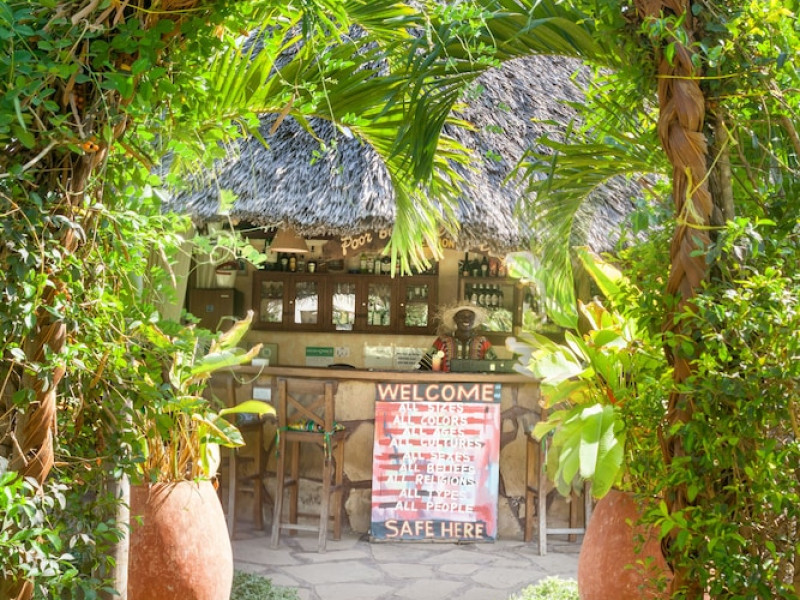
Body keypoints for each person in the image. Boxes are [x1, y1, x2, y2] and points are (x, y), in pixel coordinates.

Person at [418, 303, 496, 372]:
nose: (466, 319)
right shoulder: (442, 341)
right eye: (462, 316)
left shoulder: (483, 342)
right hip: (447, 384)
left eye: (470, 317)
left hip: (476, 384)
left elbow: (496, 367)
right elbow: (424, 367)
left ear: (474, 320)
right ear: (455, 319)